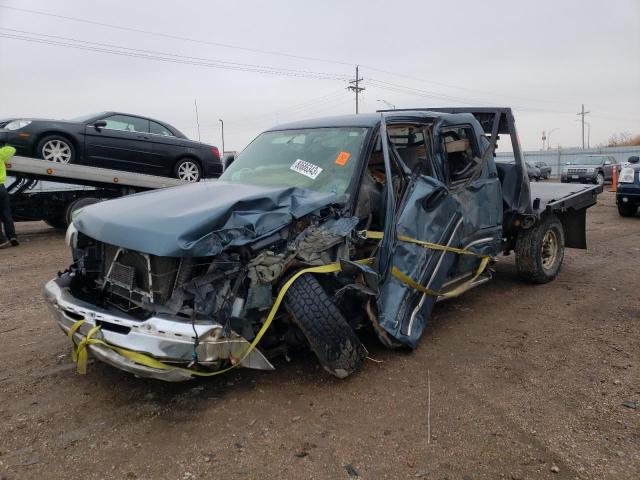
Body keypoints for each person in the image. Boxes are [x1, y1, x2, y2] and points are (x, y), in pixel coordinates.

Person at [0, 145, 19, 249]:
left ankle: (1, 241)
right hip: (1, 188)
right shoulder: (0, 154)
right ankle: (12, 236)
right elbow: (12, 149)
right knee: (6, 213)